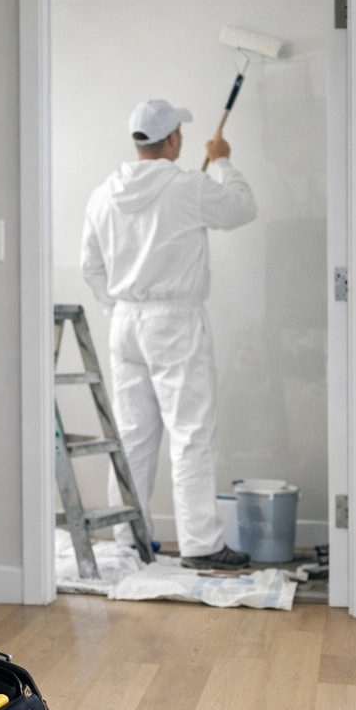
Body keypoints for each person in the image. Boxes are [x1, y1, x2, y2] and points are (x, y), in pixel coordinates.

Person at [80, 99, 258, 567]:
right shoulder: (189, 187)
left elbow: (90, 266)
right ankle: (201, 544)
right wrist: (221, 159)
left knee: (135, 436)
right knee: (191, 433)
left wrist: (115, 308)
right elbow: (243, 207)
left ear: (138, 141)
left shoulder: (103, 195)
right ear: (174, 139)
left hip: (125, 323)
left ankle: (128, 538)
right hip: (173, 323)